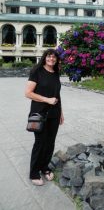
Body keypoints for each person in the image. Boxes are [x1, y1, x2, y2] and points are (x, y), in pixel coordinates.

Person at [25, 49, 64, 186]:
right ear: (45, 57)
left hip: (54, 113)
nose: (51, 59)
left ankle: (45, 168)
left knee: (50, 143)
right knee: (40, 143)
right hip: (39, 113)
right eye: (49, 56)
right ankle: (34, 172)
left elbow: (57, 95)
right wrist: (47, 100)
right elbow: (28, 93)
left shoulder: (56, 73)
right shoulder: (37, 71)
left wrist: (61, 113)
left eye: (54, 57)